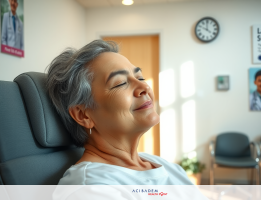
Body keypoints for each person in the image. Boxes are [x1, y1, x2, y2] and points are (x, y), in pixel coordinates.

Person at [46, 40, 194, 186]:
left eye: (140, 77)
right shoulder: (91, 187)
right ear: (83, 115)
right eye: (121, 83)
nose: (144, 86)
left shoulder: (165, 166)